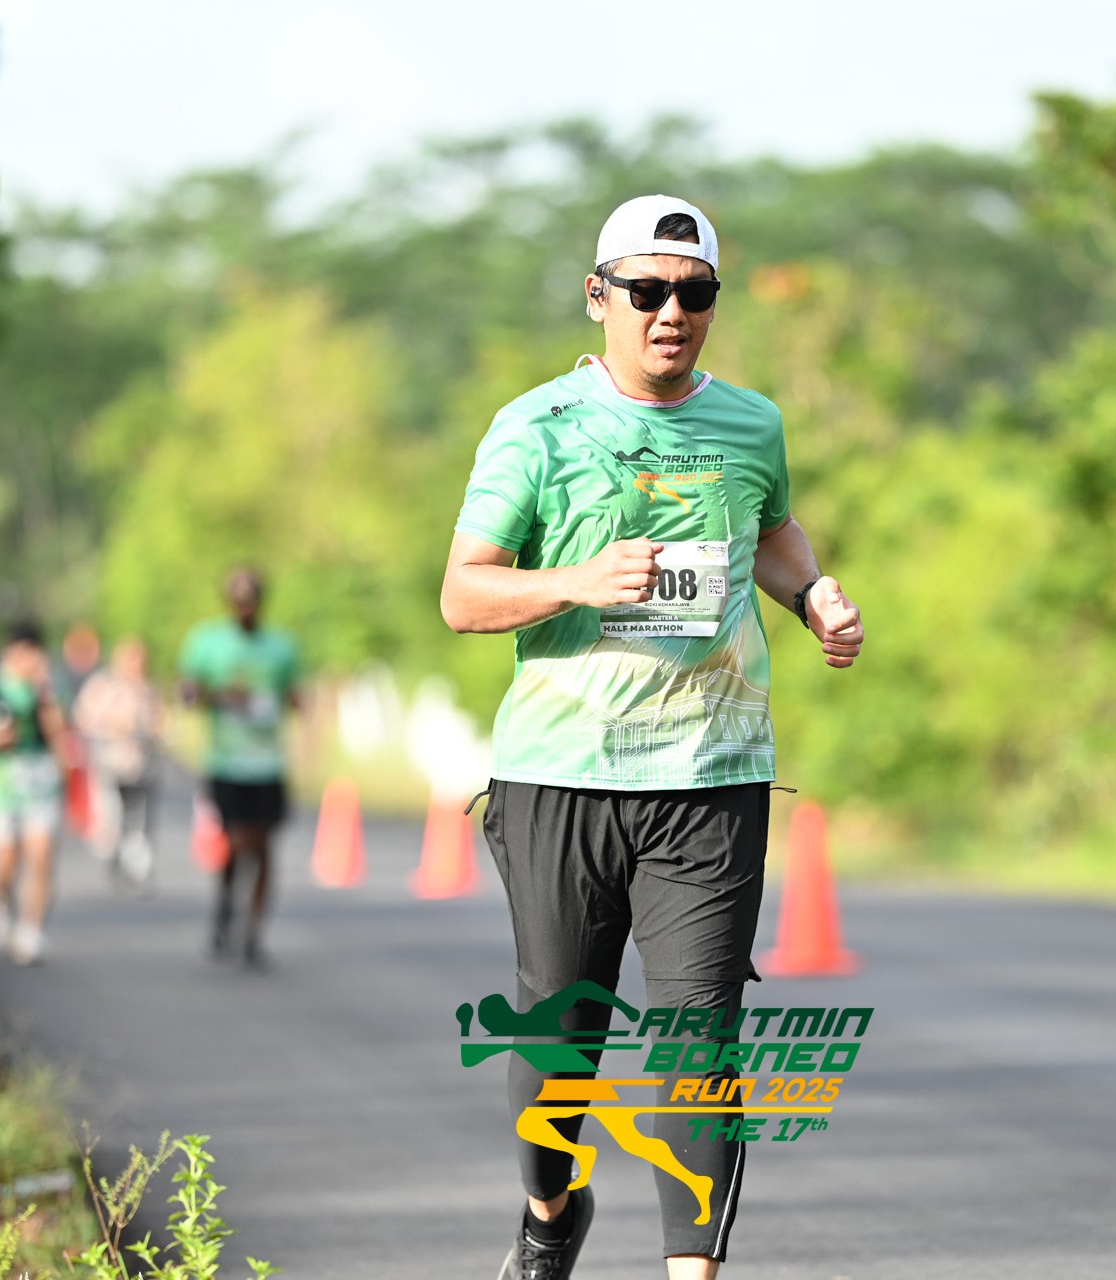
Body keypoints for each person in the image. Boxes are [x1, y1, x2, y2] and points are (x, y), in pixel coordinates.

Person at [440, 194, 865, 1280]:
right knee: (557, 1043)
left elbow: (771, 531)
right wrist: (579, 581)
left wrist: (811, 593)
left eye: (694, 292)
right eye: (646, 291)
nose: (670, 311)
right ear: (600, 298)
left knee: (699, 1047)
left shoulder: (752, 424)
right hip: (560, 775)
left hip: (713, 774)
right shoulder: (536, 426)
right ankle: (549, 1211)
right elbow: (464, 593)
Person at [178, 568, 301, 967]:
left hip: (267, 764)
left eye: (251, 600)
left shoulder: (281, 647)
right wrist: (217, 694)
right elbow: (187, 693)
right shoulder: (207, 641)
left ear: (261, 602)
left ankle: (253, 933)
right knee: (234, 842)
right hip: (226, 762)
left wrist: (291, 704)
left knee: (263, 846)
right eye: (238, 600)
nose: (245, 607)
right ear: (229, 602)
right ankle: (226, 903)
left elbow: (295, 695)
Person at [0, 621, 69, 966]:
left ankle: (30, 931)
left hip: (41, 785)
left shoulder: (49, 689)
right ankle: (1, 905)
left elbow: (59, 734)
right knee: (5, 862)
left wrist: (46, 695)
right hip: (0, 788)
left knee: (41, 855)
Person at [73, 636, 164, 889]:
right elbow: (84, 717)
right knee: (111, 815)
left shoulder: (148, 691)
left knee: (138, 818)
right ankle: (114, 854)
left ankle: (137, 866)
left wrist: (152, 730)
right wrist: (112, 724)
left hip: (142, 766)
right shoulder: (103, 686)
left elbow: (160, 724)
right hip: (109, 763)